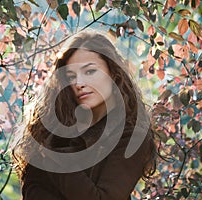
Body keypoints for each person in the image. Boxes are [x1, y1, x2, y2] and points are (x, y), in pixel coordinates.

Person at [11, 30, 157, 200]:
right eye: (71, 76)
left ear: (113, 73)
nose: (79, 83)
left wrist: (56, 159)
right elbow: (33, 190)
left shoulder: (132, 137)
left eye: (89, 72)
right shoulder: (52, 130)